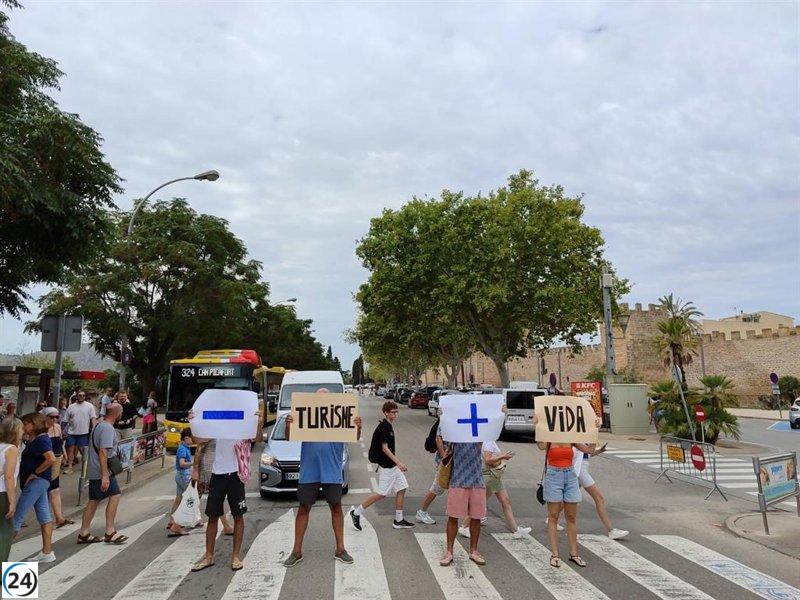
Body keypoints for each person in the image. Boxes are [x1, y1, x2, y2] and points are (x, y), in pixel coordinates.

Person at [282, 389, 362, 567]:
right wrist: (288, 425)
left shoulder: (339, 415)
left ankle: (340, 549)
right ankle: (296, 551)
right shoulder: (307, 416)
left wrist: (358, 426)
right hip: (309, 471)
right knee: (303, 509)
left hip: (332, 470)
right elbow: (289, 437)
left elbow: (354, 437)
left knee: (336, 508)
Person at [535, 413, 593, 569]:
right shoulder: (548, 436)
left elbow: (589, 450)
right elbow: (540, 446)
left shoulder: (571, 436)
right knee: (553, 516)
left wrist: (595, 432)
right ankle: (555, 554)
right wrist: (537, 426)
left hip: (570, 475)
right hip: (554, 475)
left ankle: (574, 554)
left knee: (571, 516)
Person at [190, 432, 251, 572]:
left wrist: (259, 423)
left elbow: (258, 437)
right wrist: (193, 422)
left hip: (236, 475)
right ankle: (209, 556)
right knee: (212, 516)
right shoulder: (216, 422)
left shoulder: (241, 422)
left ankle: (236, 557)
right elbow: (198, 440)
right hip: (217, 475)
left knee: (238, 516)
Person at [349, 401, 414, 531]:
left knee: (402, 488)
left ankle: (399, 520)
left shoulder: (388, 426)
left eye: (396, 412)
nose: (395, 414)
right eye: (393, 412)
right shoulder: (384, 427)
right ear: (386, 413)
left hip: (392, 467)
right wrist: (399, 462)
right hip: (388, 467)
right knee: (381, 494)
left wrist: (396, 464)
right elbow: (385, 448)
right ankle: (356, 513)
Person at [77, 403, 128, 545]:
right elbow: (103, 451)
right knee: (115, 495)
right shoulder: (107, 429)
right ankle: (110, 531)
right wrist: (105, 475)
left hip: (96, 470)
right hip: (102, 471)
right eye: (121, 412)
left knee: (94, 500)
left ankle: (84, 532)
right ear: (117, 413)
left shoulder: (99, 425)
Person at [457, 441, 531, 539]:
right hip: (490, 476)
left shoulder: (488, 441)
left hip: (494, 477)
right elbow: (488, 460)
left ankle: (516, 530)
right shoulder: (488, 443)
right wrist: (503, 456)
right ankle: (464, 526)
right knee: (481, 503)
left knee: (505, 501)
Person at [14, 412, 56, 562]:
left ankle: (3, 552)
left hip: (36, 482)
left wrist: (34, 473)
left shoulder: (41, 440)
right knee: (44, 516)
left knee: (16, 517)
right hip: (39, 482)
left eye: (26, 424)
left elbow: (51, 459)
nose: (24, 426)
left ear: (34, 424)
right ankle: (47, 552)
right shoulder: (36, 440)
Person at [440, 440, 486, 567]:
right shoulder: (455, 431)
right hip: (458, 479)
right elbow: (446, 448)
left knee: (476, 517)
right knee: (453, 516)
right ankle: (449, 552)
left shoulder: (479, 431)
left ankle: (474, 551)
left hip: (477, 480)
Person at [43, 407, 74, 528]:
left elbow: (60, 442)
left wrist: (64, 455)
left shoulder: (58, 427)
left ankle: (59, 518)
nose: (55, 419)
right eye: (52, 417)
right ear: (45, 417)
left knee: (55, 489)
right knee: (43, 490)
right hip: (46, 461)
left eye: (57, 417)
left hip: (57, 458)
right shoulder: (42, 430)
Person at [195, 439, 234, 536]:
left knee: (199, 496)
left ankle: (226, 526)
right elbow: (199, 448)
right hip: (208, 468)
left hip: (214, 467)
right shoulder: (209, 430)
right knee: (197, 496)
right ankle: (226, 526)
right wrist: (195, 469)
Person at [416, 418, 446, 525]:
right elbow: (438, 439)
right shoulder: (445, 420)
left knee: (458, 487)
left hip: (452, 459)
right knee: (438, 486)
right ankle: (422, 512)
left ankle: (471, 516)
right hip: (446, 461)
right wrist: (445, 459)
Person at [0, 419, 22, 561]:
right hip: (3, 492)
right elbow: (9, 477)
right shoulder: (11, 449)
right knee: (5, 531)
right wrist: (12, 502)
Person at [167, 428, 194, 536]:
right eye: (192, 438)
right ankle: (177, 524)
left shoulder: (184, 447)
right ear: (186, 438)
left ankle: (171, 521)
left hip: (180, 475)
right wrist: (193, 463)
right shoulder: (183, 449)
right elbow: (182, 463)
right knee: (188, 499)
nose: (193, 440)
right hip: (184, 476)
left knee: (179, 498)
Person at [63, 390, 96, 474]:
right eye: (80, 395)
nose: (82, 397)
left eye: (83, 395)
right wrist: (61, 430)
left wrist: (94, 428)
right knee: (71, 450)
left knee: (83, 450)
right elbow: (65, 420)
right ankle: (70, 467)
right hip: (72, 432)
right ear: (76, 396)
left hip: (84, 432)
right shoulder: (71, 407)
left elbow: (93, 418)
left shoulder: (89, 406)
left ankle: (86, 466)